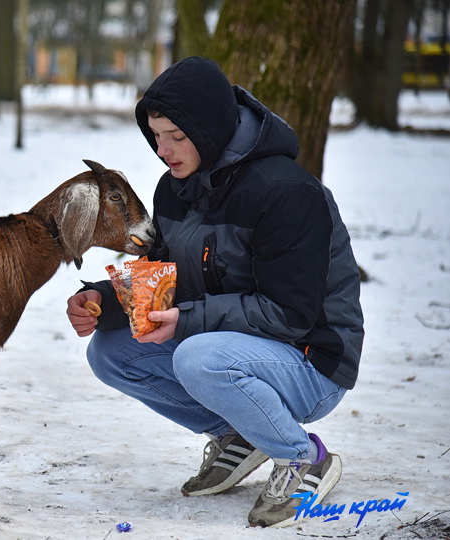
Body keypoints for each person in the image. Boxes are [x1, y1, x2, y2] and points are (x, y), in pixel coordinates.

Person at [66, 57, 364, 528]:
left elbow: (290, 313)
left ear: (209, 129)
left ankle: (304, 457)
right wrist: (102, 300)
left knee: (199, 356)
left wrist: (187, 321)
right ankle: (240, 435)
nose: (163, 150)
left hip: (310, 360)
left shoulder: (286, 192)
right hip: (234, 349)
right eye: (156, 136)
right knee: (111, 352)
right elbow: (161, 272)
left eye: (176, 137)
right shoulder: (176, 187)